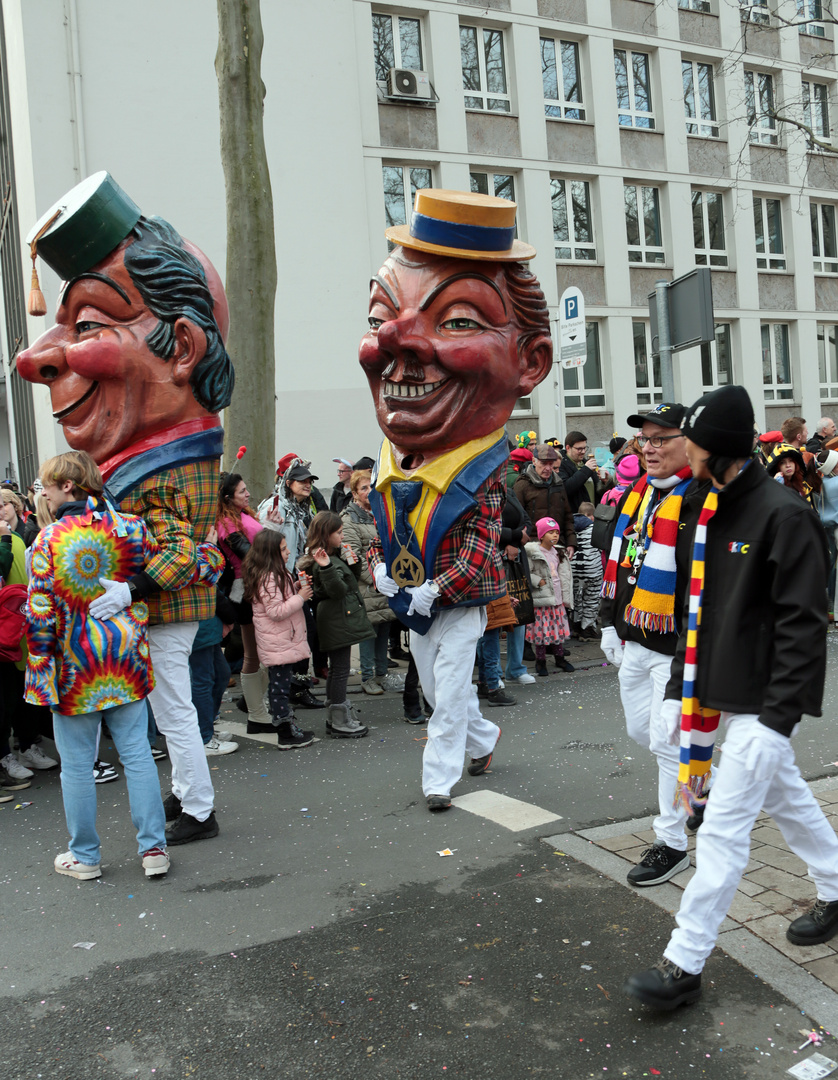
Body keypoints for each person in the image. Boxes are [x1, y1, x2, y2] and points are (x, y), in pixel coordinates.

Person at [17, 174, 233, 848]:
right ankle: (187, 797)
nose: (34, 358)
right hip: (158, 613)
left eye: (86, 324)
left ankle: (197, 806)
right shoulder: (141, 462)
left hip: (167, 613)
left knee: (171, 711)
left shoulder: (164, 472)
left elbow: (188, 552)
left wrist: (128, 587)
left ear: (184, 348)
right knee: (166, 715)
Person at [624, 385, 838, 1011]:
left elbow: (805, 623)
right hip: (713, 695)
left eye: (687, 442)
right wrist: (674, 691)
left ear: (716, 448)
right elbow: (698, 614)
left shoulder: (784, 514)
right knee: (787, 798)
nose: (677, 452)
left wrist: (778, 719)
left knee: (721, 826)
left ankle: (683, 964)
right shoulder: (702, 507)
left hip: (767, 705)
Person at [362, 189, 553, 811]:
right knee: (443, 688)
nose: (394, 340)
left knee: (445, 688)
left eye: (458, 319)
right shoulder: (392, 472)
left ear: (531, 362)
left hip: (462, 604)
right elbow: (386, 538)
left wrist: (431, 590)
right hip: (418, 602)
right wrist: (384, 573)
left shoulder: (483, 480)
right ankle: (484, 735)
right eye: (379, 319)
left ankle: (438, 780)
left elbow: (476, 557)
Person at [25, 450, 169, 881]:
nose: (45, 497)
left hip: (72, 671)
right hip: (124, 660)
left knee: (77, 767)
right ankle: (153, 850)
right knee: (139, 756)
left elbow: (40, 614)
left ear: (67, 485)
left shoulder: (48, 541)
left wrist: (40, 677)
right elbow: (165, 569)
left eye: (47, 487)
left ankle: (85, 856)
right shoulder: (130, 528)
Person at [600, 402, 712, 886]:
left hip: (676, 650)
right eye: (644, 439)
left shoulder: (701, 500)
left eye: (661, 438)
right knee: (640, 734)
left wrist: (675, 685)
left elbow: (703, 596)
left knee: (669, 747)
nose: (649, 448)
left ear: (688, 442)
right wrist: (608, 621)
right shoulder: (637, 495)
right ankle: (703, 785)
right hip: (633, 637)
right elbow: (620, 558)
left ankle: (671, 841)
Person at [302, 511, 373, 738]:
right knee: (341, 669)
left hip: (338, 617)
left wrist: (351, 561)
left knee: (337, 669)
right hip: (336, 619)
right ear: (326, 534)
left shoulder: (330, 557)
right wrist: (327, 567)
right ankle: (339, 719)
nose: (343, 536)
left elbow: (347, 581)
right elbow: (338, 590)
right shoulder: (322, 561)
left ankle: (336, 714)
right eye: (339, 533)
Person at [243, 530, 316, 750]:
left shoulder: (275, 573)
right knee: (280, 689)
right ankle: (285, 733)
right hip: (278, 641)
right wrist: (300, 598)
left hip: (282, 639)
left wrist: (294, 589)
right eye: (283, 549)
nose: (288, 552)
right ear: (271, 553)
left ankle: (288, 727)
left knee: (280, 685)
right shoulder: (269, 577)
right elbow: (275, 611)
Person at [216, 472, 275, 731]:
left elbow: (260, 546)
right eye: (242, 491)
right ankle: (256, 714)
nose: (248, 493)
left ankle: (252, 704)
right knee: (254, 653)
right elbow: (249, 553)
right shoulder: (225, 524)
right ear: (228, 497)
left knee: (266, 653)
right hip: (245, 589)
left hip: (259, 584)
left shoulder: (243, 515)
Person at [340, 470, 395, 696]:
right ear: (354, 493)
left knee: (384, 626)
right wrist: (376, 578)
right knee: (368, 631)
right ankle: (367, 677)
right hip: (368, 584)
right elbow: (352, 554)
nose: (369, 492)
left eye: (371, 486)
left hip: (386, 581)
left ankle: (382, 674)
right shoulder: (348, 518)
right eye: (363, 488)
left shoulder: (380, 513)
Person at [524, 517, 574, 676]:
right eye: (550, 532)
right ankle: (541, 661)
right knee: (542, 631)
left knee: (557, 631)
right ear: (541, 535)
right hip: (542, 598)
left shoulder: (559, 552)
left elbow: (565, 574)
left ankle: (559, 658)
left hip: (557, 598)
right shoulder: (533, 552)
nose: (554, 536)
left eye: (557, 533)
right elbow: (527, 572)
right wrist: (539, 582)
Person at [514, 445, 577, 556]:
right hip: (532, 547)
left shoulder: (558, 483)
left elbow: (567, 516)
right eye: (544, 463)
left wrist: (571, 543)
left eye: (551, 463)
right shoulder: (522, 484)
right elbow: (516, 519)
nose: (548, 468)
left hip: (558, 546)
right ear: (534, 461)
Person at [571, 501, 603, 641]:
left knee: (576, 598)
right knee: (591, 598)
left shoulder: (570, 526)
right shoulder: (594, 528)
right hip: (592, 569)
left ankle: (576, 626)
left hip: (573, 568)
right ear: (591, 516)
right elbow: (601, 547)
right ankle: (587, 629)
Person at [559, 431, 608, 511]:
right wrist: (586, 470)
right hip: (576, 516)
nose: (583, 452)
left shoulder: (586, 463)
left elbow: (599, 492)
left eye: (585, 448)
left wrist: (604, 482)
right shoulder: (561, 465)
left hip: (593, 514)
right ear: (568, 448)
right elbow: (566, 488)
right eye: (579, 449)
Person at [765, 442, 817, 507]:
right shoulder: (773, 487)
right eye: (782, 463)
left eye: (791, 461)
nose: (788, 465)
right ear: (777, 467)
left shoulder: (804, 485)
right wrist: (776, 486)